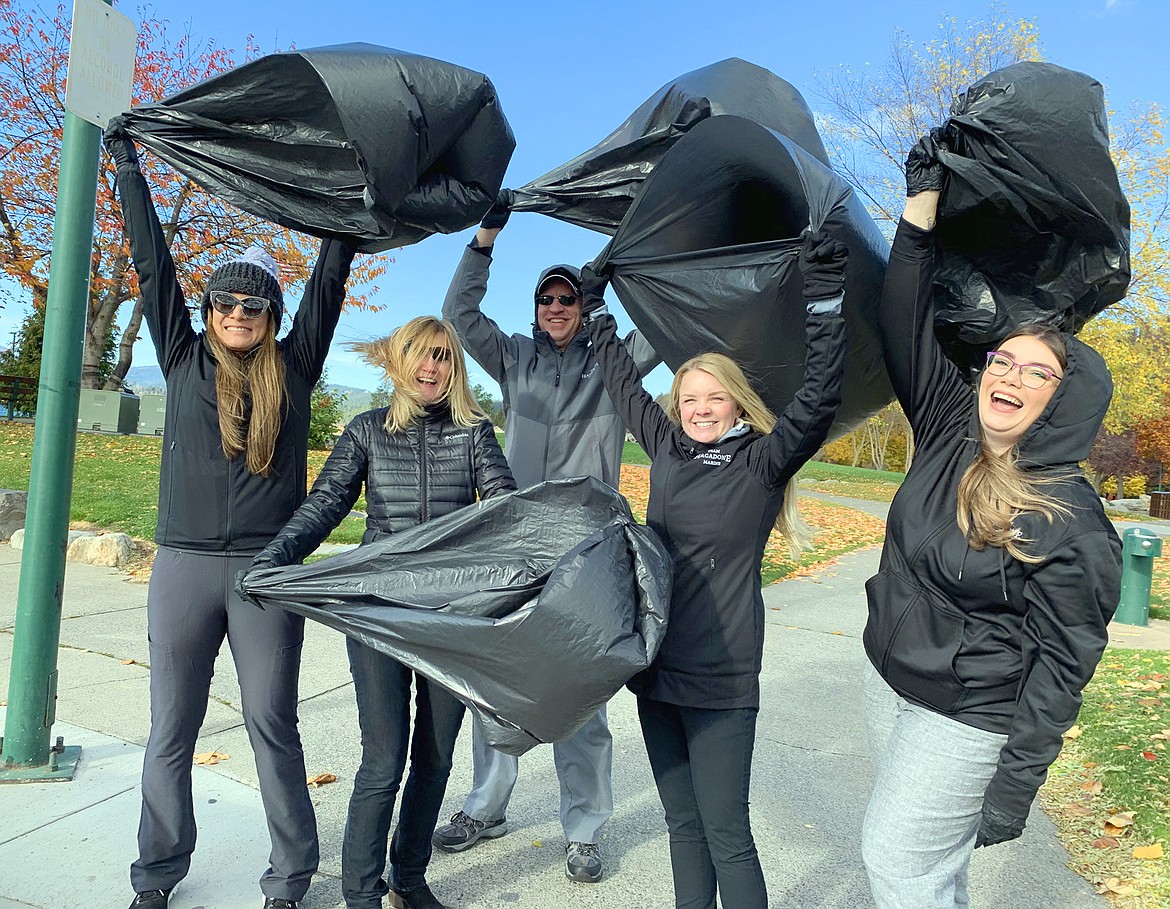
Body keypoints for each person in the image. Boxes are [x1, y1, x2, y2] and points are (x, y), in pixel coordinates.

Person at [859, 132, 1123, 909]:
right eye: (1002, 361)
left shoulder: (1070, 517)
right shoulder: (948, 422)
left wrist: (1017, 783)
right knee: (931, 870)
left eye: (1035, 371)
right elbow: (903, 312)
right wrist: (920, 205)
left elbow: (1065, 661)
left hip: (969, 712)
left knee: (896, 862)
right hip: (887, 679)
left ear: (1060, 399)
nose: (1009, 374)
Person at [104, 123, 357, 909]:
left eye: (255, 303)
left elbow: (329, 280)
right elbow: (152, 263)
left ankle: (289, 879)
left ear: (273, 315)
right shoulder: (180, 356)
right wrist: (126, 164)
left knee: (270, 725)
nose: (240, 311)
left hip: (265, 572)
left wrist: (347, 205)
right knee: (170, 730)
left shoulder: (297, 365)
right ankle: (156, 876)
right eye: (226, 301)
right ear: (208, 311)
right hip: (181, 565)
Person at [578, 228, 848, 909]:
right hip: (657, 668)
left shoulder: (762, 461)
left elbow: (819, 395)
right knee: (682, 826)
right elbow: (618, 378)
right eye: (689, 397)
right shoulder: (666, 446)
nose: (699, 408)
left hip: (722, 678)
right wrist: (595, 305)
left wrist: (823, 297)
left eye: (713, 398)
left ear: (735, 404)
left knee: (727, 833)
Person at [242, 316, 516, 909]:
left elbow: (505, 512)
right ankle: (361, 893)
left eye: (444, 357)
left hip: (450, 614)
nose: (432, 368)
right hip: (379, 610)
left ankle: (408, 879)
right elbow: (324, 504)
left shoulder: (473, 434)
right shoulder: (367, 431)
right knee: (384, 757)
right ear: (399, 362)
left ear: (455, 367)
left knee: (436, 755)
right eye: (421, 355)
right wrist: (274, 559)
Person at [433, 193, 660, 883]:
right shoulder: (515, 358)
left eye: (569, 299)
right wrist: (484, 241)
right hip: (516, 543)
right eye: (549, 299)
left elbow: (662, 324)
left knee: (581, 693)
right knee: (494, 681)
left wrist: (616, 276)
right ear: (536, 307)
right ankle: (487, 803)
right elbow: (459, 316)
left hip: (586, 549)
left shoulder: (615, 363)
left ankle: (585, 827)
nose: (558, 307)